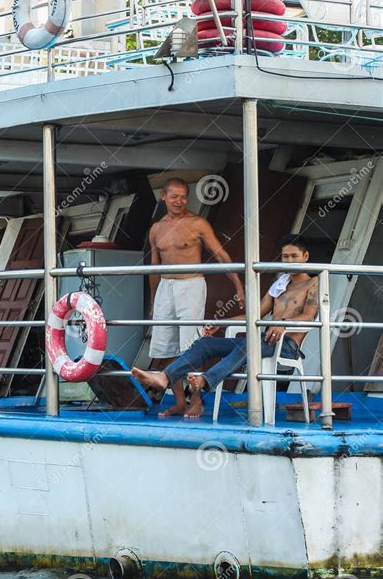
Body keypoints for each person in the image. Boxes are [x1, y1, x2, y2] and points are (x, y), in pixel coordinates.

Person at [134, 233, 317, 420]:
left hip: (287, 346)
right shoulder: (280, 284)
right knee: (205, 344)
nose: (289, 261)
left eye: (294, 256)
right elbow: (254, 315)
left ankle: (204, 381)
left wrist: (282, 324)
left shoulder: (314, 283)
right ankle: (164, 377)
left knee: (250, 344)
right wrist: (222, 323)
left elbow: (309, 316)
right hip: (263, 340)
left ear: (306, 257)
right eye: (285, 256)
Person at [148, 177, 245, 419]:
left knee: (191, 346)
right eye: (174, 196)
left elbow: (221, 254)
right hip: (165, 288)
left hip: (191, 284)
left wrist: (238, 285)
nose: (179, 201)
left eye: (183, 196)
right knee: (166, 348)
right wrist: (153, 301)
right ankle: (180, 401)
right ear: (164, 196)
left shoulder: (197, 223)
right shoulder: (156, 228)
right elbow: (154, 268)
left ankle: (196, 400)